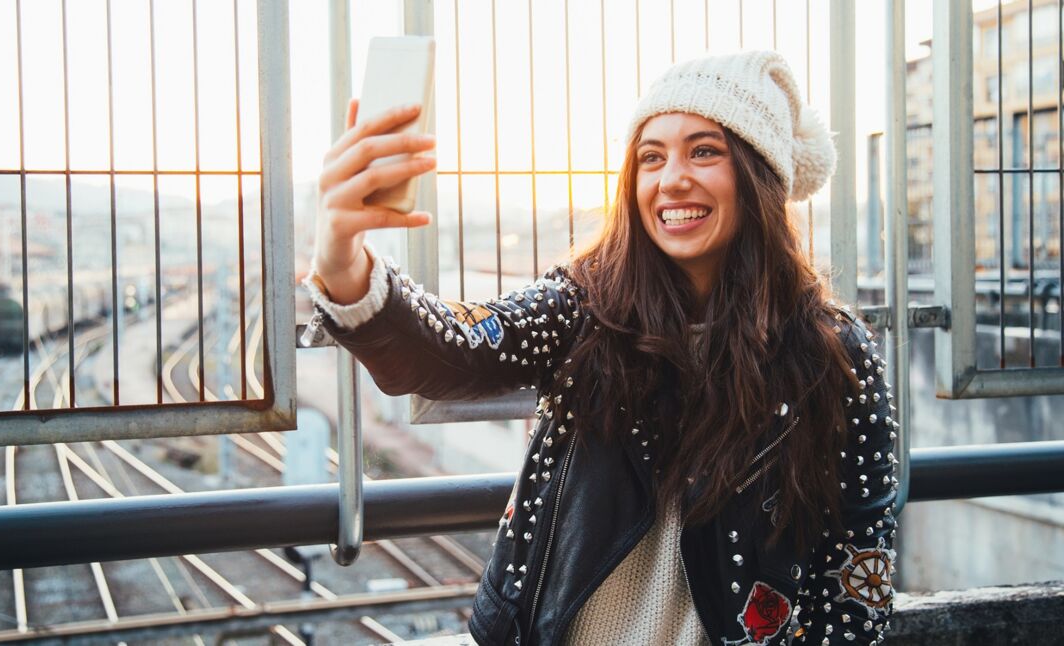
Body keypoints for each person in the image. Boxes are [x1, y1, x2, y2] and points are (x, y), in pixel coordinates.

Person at [303, 50, 897, 646]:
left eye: (705, 150)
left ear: (759, 175)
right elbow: (453, 346)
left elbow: (857, 581)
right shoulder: (584, 307)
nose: (671, 179)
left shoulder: (833, 358)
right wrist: (343, 261)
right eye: (650, 157)